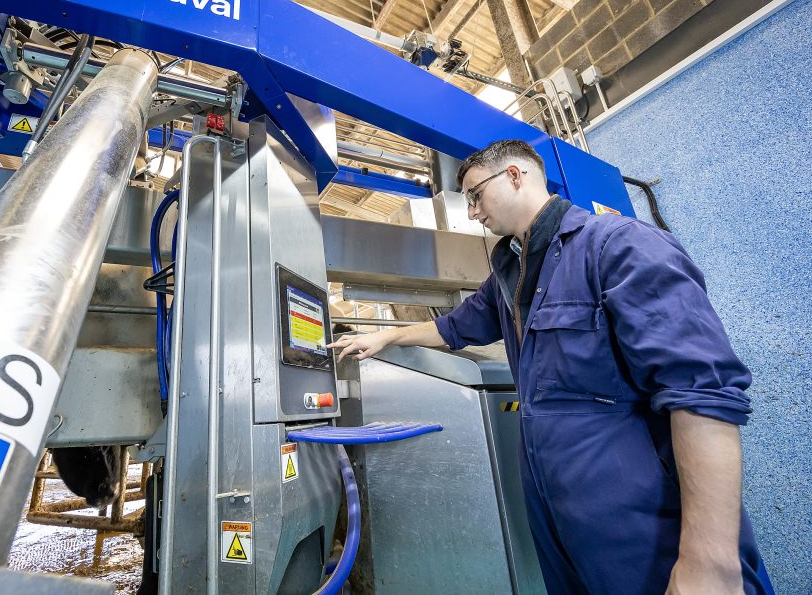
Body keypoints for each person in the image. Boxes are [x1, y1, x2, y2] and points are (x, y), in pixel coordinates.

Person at [328, 140, 766, 595]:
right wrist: (383, 336)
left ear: (516, 175)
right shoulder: (507, 277)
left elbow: (702, 393)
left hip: (639, 513)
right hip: (556, 512)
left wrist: (710, 559)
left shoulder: (617, 245)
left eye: (475, 195)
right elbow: (453, 329)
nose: (473, 212)